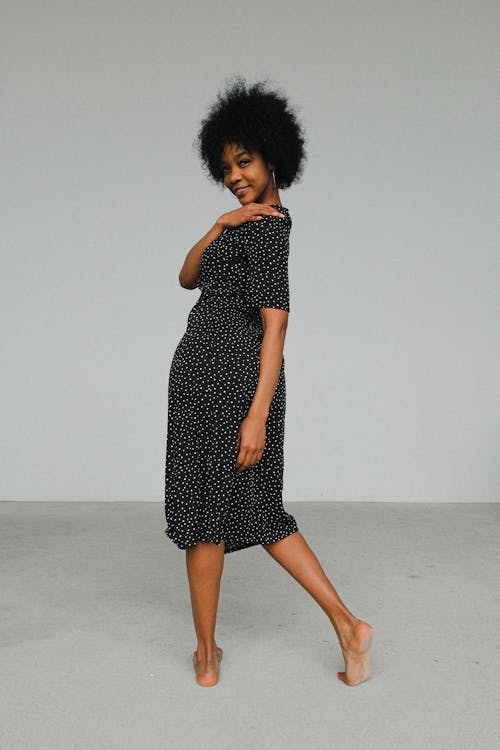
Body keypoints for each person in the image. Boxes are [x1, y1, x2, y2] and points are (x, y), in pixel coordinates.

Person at [164, 76, 373, 688]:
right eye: (227, 166)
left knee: (233, 512)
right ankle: (213, 651)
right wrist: (218, 223)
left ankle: (217, 654)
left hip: (236, 383)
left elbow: (276, 327)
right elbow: (185, 277)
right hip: (198, 376)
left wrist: (257, 413)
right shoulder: (243, 222)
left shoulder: (269, 229)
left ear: (274, 156)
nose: (235, 174)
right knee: (225, 511)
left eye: (245, 161)